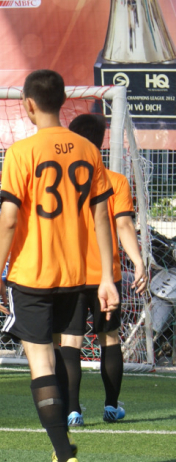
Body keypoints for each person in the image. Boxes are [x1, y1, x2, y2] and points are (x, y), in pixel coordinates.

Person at [0, 70, 120, 462]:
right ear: (63, 101)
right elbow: (103, 215)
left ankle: (65, 457)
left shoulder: (21, 152)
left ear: (28, 104)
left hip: (32, 274)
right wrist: (105, 277)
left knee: (42, 361)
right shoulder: (88, 149)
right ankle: (62, 451)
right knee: (65, 354)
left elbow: (9, 220)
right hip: (78, 274)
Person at [59, 114, 147, 427]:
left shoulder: (61, 183)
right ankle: (111, 407)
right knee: (109, 338)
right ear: (102, 143)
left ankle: (72, 411)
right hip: (107, 275)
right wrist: (137, 260)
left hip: (68, 274)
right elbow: (123, 224)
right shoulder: (115, 180)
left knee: (70, 342)